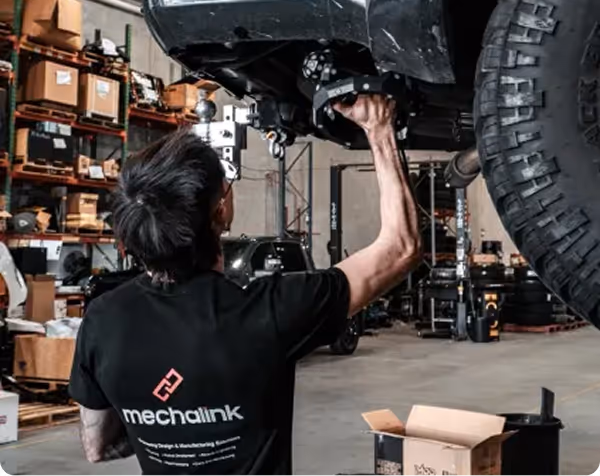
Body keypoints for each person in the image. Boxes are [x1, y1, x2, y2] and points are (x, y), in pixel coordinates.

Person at [70, 95, 421, 475]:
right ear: (222, 210)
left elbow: (96, 446)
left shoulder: (102, 320)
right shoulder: (270, 311)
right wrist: (379, 127)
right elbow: (401, 248)